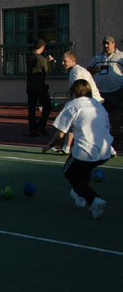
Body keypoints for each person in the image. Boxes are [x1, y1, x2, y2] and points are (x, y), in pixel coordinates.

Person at [42, 79, 112, 220]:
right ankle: (81, 197)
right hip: (106, 151)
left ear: (74, 92)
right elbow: (105, 128)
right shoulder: (98, 106)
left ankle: (93, 199)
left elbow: (61, 133)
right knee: (83, 169)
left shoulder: (72, 105)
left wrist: (49, 145)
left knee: (69, 172)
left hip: (86, 150)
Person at [54, 51, 103, 154]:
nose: (63, 63)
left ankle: (109, 149)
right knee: (73, 124)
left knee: (91, 129)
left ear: (73, 61)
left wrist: (66, 104)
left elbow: (79, 91)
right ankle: (66, 147)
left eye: (65, 61)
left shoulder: (76, 72)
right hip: (89, 102)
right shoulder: (75, 71)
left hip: (92, 103)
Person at [87, 36, 123, 138]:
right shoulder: (98, 57)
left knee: (115, 112)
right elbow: (88, 69)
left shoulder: (121, 56)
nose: (106, 46)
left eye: (108, 43)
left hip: (116, 90)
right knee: (100, 113)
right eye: (104, 44)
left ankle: (116, 132)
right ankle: (102, 132)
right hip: (100, 91)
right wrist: (95, 69)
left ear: (113, 43)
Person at [25, 39, 53, 136]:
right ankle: (41, 125)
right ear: (42, 47)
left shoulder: (29, 57)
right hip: (39, 86)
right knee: (47, 106)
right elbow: (46, 71)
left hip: (30, 86)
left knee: (31, 109)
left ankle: (33, 130)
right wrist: (49, 61)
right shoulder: (41, 59)